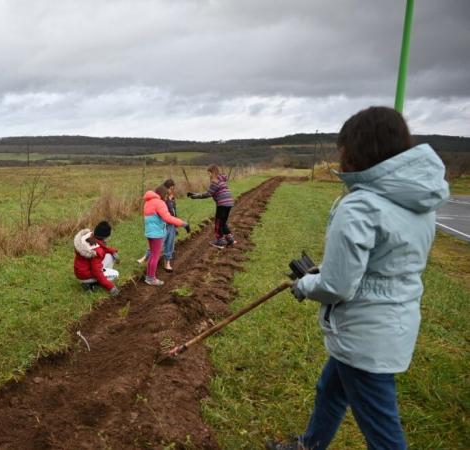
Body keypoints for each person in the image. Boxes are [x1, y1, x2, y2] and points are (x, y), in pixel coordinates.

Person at [267, 106, 449, 450]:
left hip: (365, 333)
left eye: (343, 147)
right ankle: (310, 444)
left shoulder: (360, 206)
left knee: (382, 431)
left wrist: (305, 284)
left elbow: (337, 286)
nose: (341, 155)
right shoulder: (419, 202)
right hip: (392, 322)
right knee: (331, 390)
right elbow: (385, 262)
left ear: (358, 149)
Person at [143, 185, 189, 286]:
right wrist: (183, 223)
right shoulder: (160, 203)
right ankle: (151, 278)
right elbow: (168, 218)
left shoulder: (148, 201)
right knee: (155, 256)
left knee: (152, 255)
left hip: (149, 232)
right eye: (166, 195)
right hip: (157, 233)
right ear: (163, 194)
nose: (166, 197)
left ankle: (149, 276)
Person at [136, 179, 183, 272]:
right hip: (163, 224)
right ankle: (146, 257)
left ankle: (167, 263)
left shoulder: (171, 197)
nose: (172, 190)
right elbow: (164, 214)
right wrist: (181, 223)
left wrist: (176, 224)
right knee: (157, 243)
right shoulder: (162, 198)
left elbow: (174, 211)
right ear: (168, 188)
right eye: (171, 188)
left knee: (170, 244)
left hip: (171, 224)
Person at [188, 164, 234, 248]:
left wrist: (196, 197)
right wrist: (196, 194)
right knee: (223, 222)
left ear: (212, 172)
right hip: (229, 203)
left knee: (218, 223)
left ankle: (220, 240)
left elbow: (208, 194)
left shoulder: (215, 181)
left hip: (222, 203)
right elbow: (211, 192)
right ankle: (230, 238)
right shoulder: (221, 179)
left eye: (209, 173)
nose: (208, 175)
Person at [73, 220, 120, 296]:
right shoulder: (96, 252)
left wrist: (112, 251)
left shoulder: (89, 236)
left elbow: (100, 245)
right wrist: (111, 287)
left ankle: (90, 283)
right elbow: (97, 272)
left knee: (109, 255)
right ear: (105, 238)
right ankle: (92, 284)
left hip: (80, 272)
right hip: (86, 276)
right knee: (115, 274)